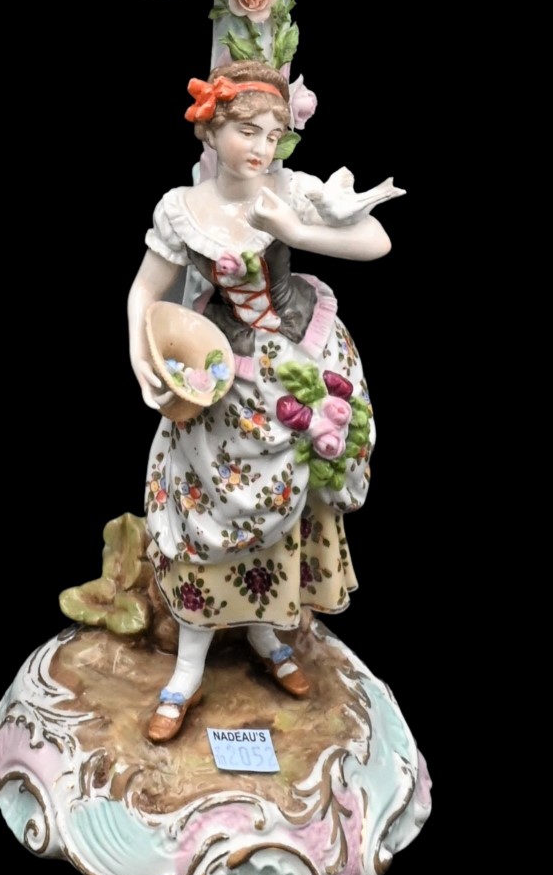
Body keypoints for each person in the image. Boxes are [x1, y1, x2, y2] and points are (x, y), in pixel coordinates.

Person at [124, 60, 401, 741]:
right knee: (212, 510)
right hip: (226, 375)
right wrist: (141, 357)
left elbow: (378, 241)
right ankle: (188, 668)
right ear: (210, 129)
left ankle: (266, 634)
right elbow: (144, 291)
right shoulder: (182, 210)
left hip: (298, 359)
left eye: (274, 134)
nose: (261, 146)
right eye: (247, 130)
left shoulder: (288, 189)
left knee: (293, 506)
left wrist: (300, 234)